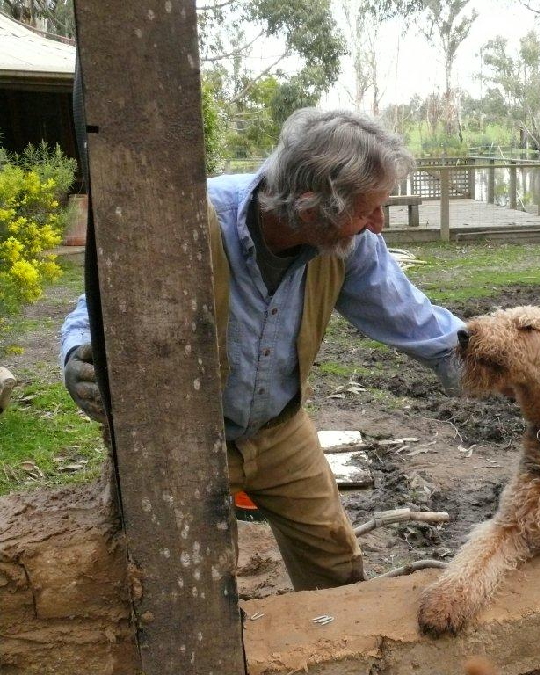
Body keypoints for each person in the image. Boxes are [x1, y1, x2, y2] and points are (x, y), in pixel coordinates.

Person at [61, 108, 464, 590]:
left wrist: (500, 361)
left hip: (280, 433)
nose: (377, 225)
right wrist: (79, 356)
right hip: (187, 442)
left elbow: (416, 320)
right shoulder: (187, 219)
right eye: (365, 210)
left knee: (335, 565)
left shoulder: (349, 244)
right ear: (312, 206)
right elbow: (98, 311)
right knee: (185, 580)